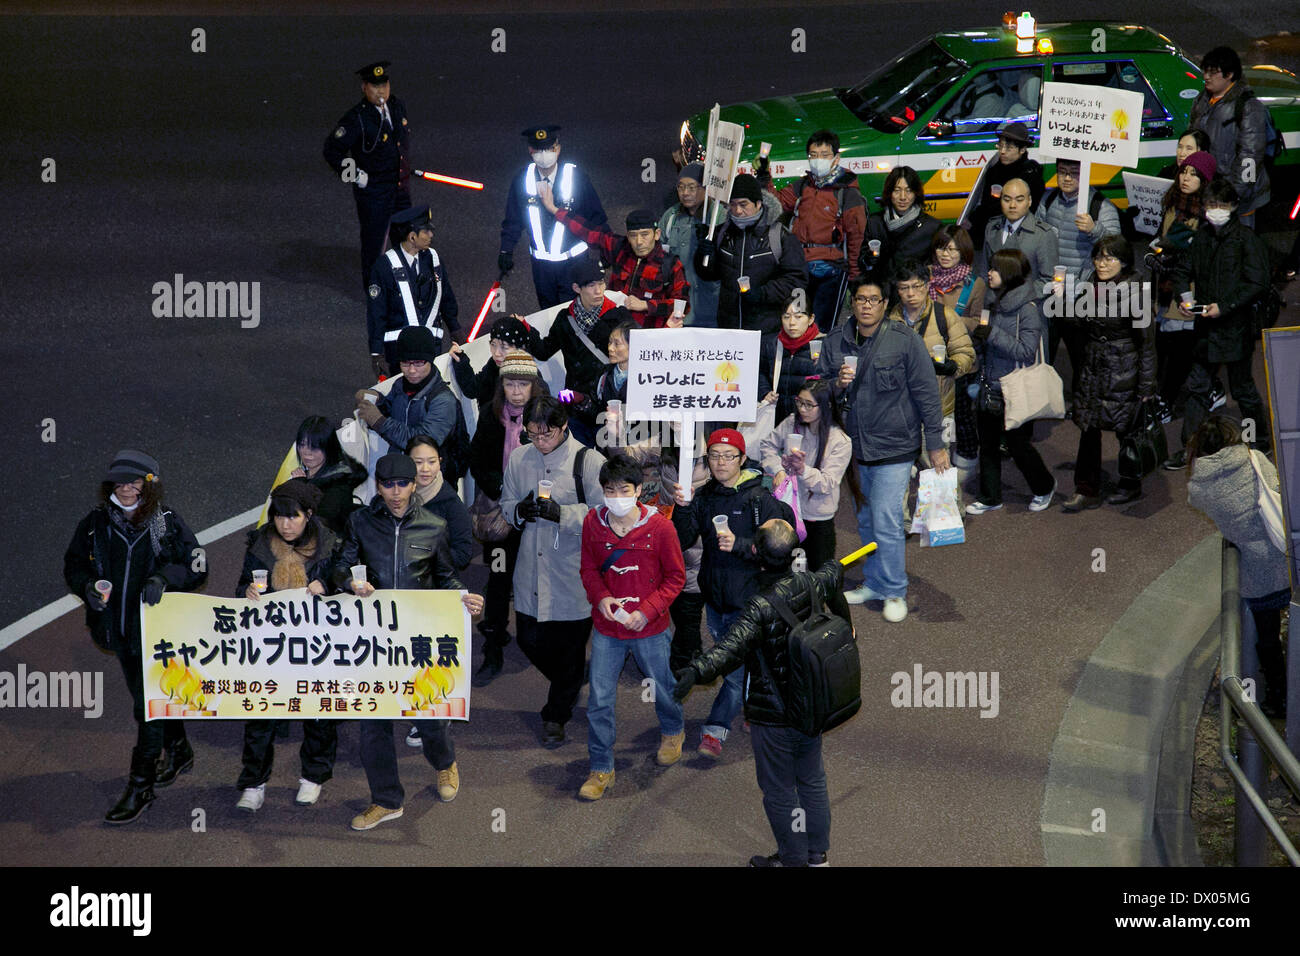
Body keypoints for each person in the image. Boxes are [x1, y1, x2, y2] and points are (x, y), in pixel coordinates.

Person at [672, 523, 849, 867]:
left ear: (756, 553)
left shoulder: (758, 607)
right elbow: (832, 574)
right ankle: (817, 857)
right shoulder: (811, 582)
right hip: (812, 704)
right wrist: (835, 571)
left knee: (780, 790)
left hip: (774, 714)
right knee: (811, 779)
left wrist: (694, 673)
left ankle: (793, 859)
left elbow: (727, 650)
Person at [331, 453, 485, 830]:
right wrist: (349, 582)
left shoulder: (435, 525)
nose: (396, 493)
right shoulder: (360, 523)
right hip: (373, 643)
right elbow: (339, 565)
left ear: (414, 485)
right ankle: (386, 800)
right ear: (378, 487)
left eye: (402, 484)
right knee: (372, 727)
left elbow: (446, 576)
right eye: (388, 485)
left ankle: (445, 763)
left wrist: (463, 596)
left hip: (419, 642)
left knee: (431, 720)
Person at [63, 450, 208, 824]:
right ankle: (179, 752)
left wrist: (164, 579)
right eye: (120, 482)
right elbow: (73, 564)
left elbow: (196, 564)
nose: (126, 489)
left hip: (160, 636)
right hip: (120, 633)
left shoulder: (167, 523)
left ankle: (140, 786)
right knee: (148, 700)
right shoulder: (95, 523)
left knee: (148, 707)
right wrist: (87, 586)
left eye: (135, 481)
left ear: (149, 485)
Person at [815, 277, 948, 623]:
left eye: (874, 299)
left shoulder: (904, 341)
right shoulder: (834, 342)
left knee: (888, 519)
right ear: (852, 303)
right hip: (853, 449)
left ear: (884, 304)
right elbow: (814, 392)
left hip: (896, 446)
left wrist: (935, 444)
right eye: (861, 299)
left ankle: (894, 590)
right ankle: (874, 581)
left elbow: (927, 395)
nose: (866, 306)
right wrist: (835, 384)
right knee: (865, 518)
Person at [670, 429, 796, 757]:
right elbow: (682, 539)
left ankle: (714, 730)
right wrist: (682, 506)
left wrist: (742, 546)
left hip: (751, 602)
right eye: (714, 455)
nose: (721, 462)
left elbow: (782, 548)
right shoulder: (706, 497)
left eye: (729, 456)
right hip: (715, 599)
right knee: (746, 660)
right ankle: (757, 708)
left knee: (733, 668)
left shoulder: (762, 500)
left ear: (742, 459)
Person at [576, 453, 687, 799]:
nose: (617, 496)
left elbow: (675, 577)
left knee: (664, 684)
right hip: (608, 628)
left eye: (624, 489)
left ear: (639, 490)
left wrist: (650, 610)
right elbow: (589, 570)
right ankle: (601, 767)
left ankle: (672, 729)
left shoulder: (661, 528)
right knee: (599, 699)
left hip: (650, 628)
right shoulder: (593, 523)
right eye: (610, 490)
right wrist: (601, 599)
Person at [499, 396, 606, 746]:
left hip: (573, 572)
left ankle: (556, 715)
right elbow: (506, 502)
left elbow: (605, 515)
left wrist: (563, 514)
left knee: (570, 649)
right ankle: (571, 683)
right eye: (531, 435)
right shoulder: (519, 458)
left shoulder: (589, 462)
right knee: (529, 639)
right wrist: (520, 510)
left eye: (545, 435)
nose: (538, 442)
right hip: (531, 567)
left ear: (564, 428)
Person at [233, 479, 340, 811]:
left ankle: (313, 777)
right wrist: (246, 593)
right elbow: (241, 588)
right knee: (260, 714)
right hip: (272, 648)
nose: (285, 524)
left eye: (292, 517)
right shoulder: (260, 547)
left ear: (308, 514)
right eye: (279, 517)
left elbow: (350, 581)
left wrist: (332, 585)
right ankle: (253, 783)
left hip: (319, 647)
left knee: (319, 713)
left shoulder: (330, 545)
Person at [1163, 177, 1273, 469]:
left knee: (1242, 389)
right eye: (1211, 204)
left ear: (1234, 206)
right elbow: (1182, 269)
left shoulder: (1246, 240)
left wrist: (1224, 307)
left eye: (1221, 205)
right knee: (1197, 387)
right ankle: (1192, 447)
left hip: (1235, 327)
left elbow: (1257, 282)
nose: (1215, 210)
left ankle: (1258, 441)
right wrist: (1186, 298)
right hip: (1205, 329)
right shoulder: (1202, 237)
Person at [1186, 415, 1288, 716]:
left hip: (1258, 573)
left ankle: (1278, 696)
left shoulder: (1199, 490)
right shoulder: (1255, 459)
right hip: (1287, 555)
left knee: (1267, 638)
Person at [467, 349, 550, 686]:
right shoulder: (491, 415)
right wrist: (502, 488)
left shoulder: (546, 417)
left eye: (523, 385)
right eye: (511, 384)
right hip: (502, 514)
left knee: (539, 577)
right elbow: (477, 461)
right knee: (499, 577)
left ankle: (544, 642)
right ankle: (494, 640)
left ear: (534, 386)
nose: (517, 391)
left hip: (536, 515)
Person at [1059, 237, 1157, 511]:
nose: (1101, 264)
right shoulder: (1092, 285)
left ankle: (1130, 483)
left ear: (1124, 262)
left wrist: (1147, 385)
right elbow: (1078, 320)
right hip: (1095, 366)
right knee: (1088, 427)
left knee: (1127, 430)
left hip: (1124, 367)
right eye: (1098, 257)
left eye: (1109, 258)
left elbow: (1147, 343)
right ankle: (1085, 488)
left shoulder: (1135, 292)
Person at [966, 249, 1057, 515]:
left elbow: (1026, 351)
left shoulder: (1028, 310)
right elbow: (989, 343)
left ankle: (1044, 486)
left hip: (1014, 389)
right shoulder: (992, 303)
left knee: (1018, 446)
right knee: (988, 445)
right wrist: (980, 342)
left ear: (1008, 274)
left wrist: (992, 334)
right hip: (990, 384)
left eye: (994, 269)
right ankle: (990, 496)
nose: (989, 273)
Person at [758, 129, 867, 331]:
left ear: (836, 158)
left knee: (821, 327)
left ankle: (819, 360)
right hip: (799, 266)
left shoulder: (848, 192)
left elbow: (856, 236)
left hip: (831, 269)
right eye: (813, 156)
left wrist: (854, 276)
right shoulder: (803, 185)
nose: (818, 160)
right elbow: (775, 204)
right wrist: (765, 176)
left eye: (824, 155)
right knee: (795, 322)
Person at [323, 61, 411, 292]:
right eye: (374, 86)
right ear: (364, 87)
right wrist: (354, 174)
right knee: (375, 246)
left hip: (399, 187)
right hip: (374, 193)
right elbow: (332, 150)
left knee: (407, 240)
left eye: (384, 84)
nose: (381, 91)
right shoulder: (357, 118)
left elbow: (400, 143)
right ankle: (375, 294)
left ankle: (408, 290)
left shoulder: (397, 106)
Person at [541, 193, 690, 328]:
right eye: (633, 235)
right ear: (627, 235)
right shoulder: (620, 248)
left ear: (656, 234)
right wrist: (555, 210)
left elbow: (682, 306)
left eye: (645, 235)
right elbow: (588, 231)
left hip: (647, 336)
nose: (639, 242)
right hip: (613, 331)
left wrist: (646, 305)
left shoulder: (671, 265)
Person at [499, 125, 607, 309]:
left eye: (549, 149)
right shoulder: (522, 179)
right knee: (548, 315)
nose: (544, 154)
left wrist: (606, 250)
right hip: (542, 267)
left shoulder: (576, 177)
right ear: (530, 150)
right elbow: (513, 220)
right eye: (539, 150)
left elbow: (596, 216)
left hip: (574, 264)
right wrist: (506, 251)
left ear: (558, 149)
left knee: (575, 315)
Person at [1036, 158, 1122, 389]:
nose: (1066, 178)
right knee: (1044, 354)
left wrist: (1095, 230)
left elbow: (1117, 249)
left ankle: (1083, 405)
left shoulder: (1101, 206)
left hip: (1080, 297)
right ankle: (1045, 400)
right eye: (1062, 172)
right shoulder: (1049, 199)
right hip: (1050, 292)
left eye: (1073, 173)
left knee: (1081, 358)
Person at [759, 379, 858, 569]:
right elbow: (767, 446)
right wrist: (778, 470)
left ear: (826, 406)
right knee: (792, 571)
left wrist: (803, 469)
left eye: (809, 405)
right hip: (788, 511)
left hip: (817, 518)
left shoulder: (840, 440)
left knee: (819, 576)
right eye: (799, 402)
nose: (802, 409)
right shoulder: (790, 423)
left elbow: (827, 483)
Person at [533, 258, 632, 446]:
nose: (599, 291)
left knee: (607, 464)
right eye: (591, 285)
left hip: (609, 408)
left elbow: (642, 352)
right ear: (577, 288)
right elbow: (543, 351)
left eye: (601, 283)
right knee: (577, 461)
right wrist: (525, 329)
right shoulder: (565, 319)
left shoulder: (619, 317)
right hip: (575, 407)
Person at [1153, 152, 1219, 423]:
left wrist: (1171, 249)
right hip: (1166, 288)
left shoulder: (1207, 213)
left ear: (1205, 180)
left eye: (1194, 174)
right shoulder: (1171, 204)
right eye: (1184, 172)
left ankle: (1167, 400)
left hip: (1188, 292)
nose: (1186, 177)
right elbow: (1162, 237)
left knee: (1179, 350)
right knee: (1165, 346)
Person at [695, 173, 807, 333]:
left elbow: (796, 279)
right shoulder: (721, 233)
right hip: (729, 327)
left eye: (743, 204)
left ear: (758, 203)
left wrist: (762, 294)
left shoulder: (780, 236)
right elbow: (708, 274)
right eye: (732, 205)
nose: (737, 211)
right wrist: (703, 255)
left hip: (767, 328)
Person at [888, 259, 977, 444]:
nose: (911, 293)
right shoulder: (890, 320)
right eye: (904, 288)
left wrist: (952, 366)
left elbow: (966, 353)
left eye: (916, 286)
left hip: (941, 408)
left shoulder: (945, 315)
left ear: (928, 285)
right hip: (901, 409)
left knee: (939, 464)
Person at [365, 206, 459, 379]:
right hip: (400, 354)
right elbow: (376, 313)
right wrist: (377, 353)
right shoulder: (384, 267)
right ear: (412, 236)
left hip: (431, 349)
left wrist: (455, 329)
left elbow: (445, 296)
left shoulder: (433, 258)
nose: (431, 235)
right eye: (426, 231)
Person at [1190, 46, 1273, 228]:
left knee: (1236, 245)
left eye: (1213, 72)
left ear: (1229, 75)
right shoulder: (1201, 101)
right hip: (1211, 191)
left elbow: (1251, 157)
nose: (1206, 77)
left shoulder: (1248, 107)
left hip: (1236, 196)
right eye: (1205, 71)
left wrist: (1237, 194)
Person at [928, 226, 987, 473]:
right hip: (929, 356)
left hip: (960, 358)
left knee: (961, 411)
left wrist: (949, 321)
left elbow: (981, 319)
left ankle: (966, 455)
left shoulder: (975, 284)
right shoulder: (925, 277)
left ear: (963, 252)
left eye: (952, 249)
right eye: (942, 247)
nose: (946, 253)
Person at [355, 326, 459, 453]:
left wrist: (379, 422)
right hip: (398, 465)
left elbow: (423, 445)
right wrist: (377, 399)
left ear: (430, 361)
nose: (411, 370)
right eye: (405, 363)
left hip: (426, 470)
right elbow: (391, 410)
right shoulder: (400, 384)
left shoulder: (444, 400)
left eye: (418, 363)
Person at [963, 121, 1046, 251]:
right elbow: (985, 203)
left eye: (1009, 148)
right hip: (989, 232)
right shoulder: (994, 170)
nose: (1002, 151)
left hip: (1017, 235)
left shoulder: (1030, 174)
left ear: (1022, 149)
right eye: (1000, 146)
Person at [659, 162, 720, 327]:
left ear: (705, 188)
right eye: (681, 187)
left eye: (692, 187)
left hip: (712, 311)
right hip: (679, 313)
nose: (685, 193)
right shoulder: (670, 217)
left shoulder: (719, 217)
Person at [861, 166, 941, 290]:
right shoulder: (875, 223)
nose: (903, 197)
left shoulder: (931, 227)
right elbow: (861, 262)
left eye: (908, 191)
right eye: (897, 190)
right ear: (889, 193)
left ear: (916, 193)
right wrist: (868, 259)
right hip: (881, 294)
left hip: (913, 294)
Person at [289, 415, 368, 533]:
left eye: (315, 447)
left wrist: (301, 486)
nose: (306, 452)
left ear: (329, 447)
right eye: (302, 444)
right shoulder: (304, 473)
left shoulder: (340, 485)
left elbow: (320, 522)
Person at [757, 293, 822, 426]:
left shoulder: (824, 345)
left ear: (811, 319)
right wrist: (764, 392)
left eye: (798, 317)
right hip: (776, 420)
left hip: (810, 421)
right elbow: (760, 372)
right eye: (786, 317)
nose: (792, 323)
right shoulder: (772, 344)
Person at [448, 314, 540, 407]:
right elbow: (473, 389)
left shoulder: (533, 384)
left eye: (504, 347)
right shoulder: (495, 365)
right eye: (493, 344)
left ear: (519, 348)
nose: (496, 353)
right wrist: (460, 360)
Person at [409, 435, 472, 570]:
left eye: (432, 462)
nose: (425, 469)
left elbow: (463, 555)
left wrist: (425, 554)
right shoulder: (397, 495)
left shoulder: (452, 504)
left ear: (440, 462)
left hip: (437, 582)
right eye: (418, 462)